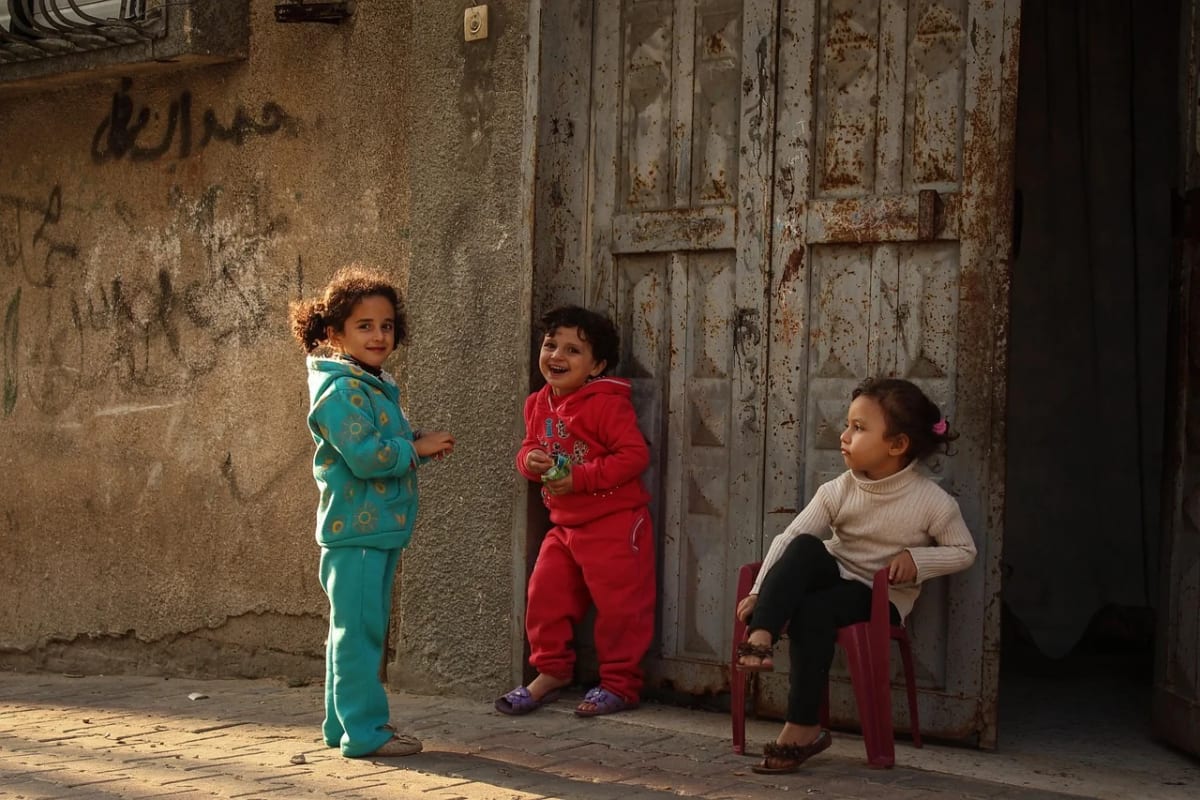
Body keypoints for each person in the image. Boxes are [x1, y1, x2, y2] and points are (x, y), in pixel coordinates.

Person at [735, 377, 976, 774]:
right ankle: (761, 635)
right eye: (848, 424)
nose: (844, 436)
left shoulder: (931, 501)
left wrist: (918, 560)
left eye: (859, 428)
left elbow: (965, 551)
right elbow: (791, 535)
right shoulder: (839, 489)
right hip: (836, 573)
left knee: (814, 611)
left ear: (897, 445)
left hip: (877, 597)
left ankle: (801, 727)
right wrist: (762, 591)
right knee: (806, 547)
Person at [289, 265, 454, 758]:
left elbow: (379, 440)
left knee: (353, 633)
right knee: (358, 636)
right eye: (364, 326)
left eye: (386, 325)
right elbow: (365, 456)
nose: (378, 335)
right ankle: (366, 733)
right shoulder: (341, 391)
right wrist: (415, 449)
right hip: (356, 535)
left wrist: (411, 442)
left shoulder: (370, 383)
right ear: (334, 332)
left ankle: (341, 726)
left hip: (375, 531)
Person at [495, 305, 655, 718]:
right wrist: (527, 460)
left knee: (621, 608)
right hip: (563, 527)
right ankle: (551, 672)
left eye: (573, 350)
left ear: (597, 365)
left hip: (614, 524)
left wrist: (581, 479)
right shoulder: (538, 404)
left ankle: (620, 685)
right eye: (551, 345)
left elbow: (634, 456)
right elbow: (531, 445)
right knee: (544, 596)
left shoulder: (606, 405)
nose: (557, 357)